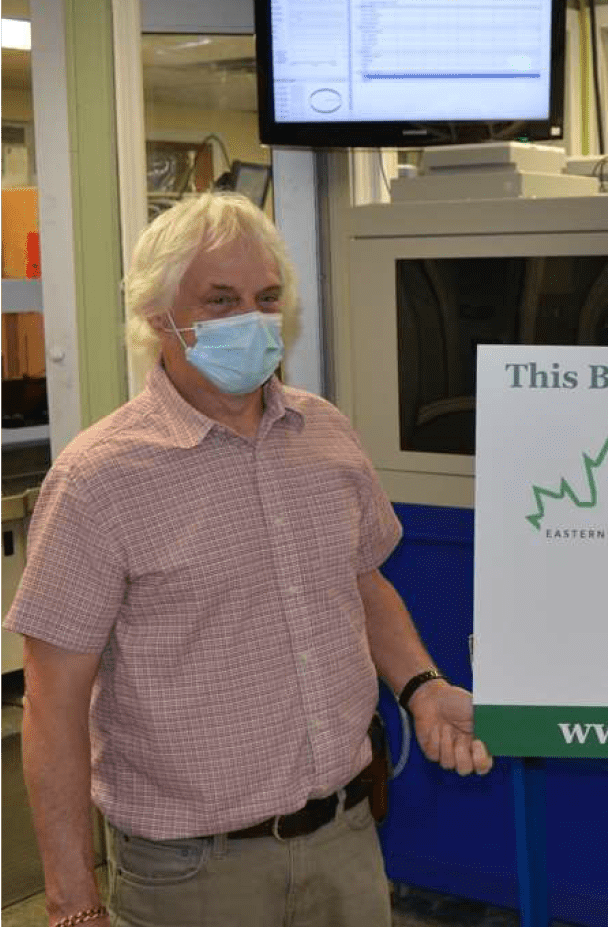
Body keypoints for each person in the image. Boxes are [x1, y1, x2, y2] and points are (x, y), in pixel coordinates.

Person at [4, 192, 493, 927]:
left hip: (346, 842)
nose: (252, 320)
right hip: (192, 873)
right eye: (221, 299)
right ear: (157, 314)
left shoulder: (323, 433)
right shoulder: (99, 478)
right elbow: (52, 704)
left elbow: (362, 583)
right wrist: (73, 904)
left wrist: (422, 686)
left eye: (266, 298)